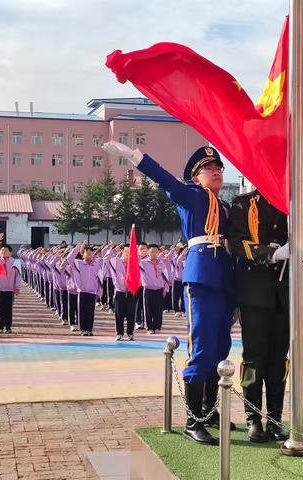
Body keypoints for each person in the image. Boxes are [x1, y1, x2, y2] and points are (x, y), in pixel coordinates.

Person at [103, 141, 234, 446]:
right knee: (201, 346)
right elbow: (164, 178)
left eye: (218, 168)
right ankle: (193, 420)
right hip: (202, 277)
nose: (215, 172)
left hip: (225, 278)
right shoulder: (191, 196)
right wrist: (134, 156)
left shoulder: (227, 207)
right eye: (208, 170)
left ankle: (209, 409)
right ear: (196, 178)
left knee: (220, 346)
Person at [228, 190, 290, 443]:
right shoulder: (243, 204)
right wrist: (270, 253)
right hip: (254, 293)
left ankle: (275, 418)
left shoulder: (289, 203)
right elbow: (237, 242)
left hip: (284, 293)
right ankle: (253, 419)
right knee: (254, 357)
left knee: (278, 358)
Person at [67, 242, 106, 336]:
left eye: (90, 253)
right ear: (83, 254)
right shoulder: (78, 264)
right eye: (86, 252)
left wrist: (107, 248)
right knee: (82, 311)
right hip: (82, 291)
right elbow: (69, 259)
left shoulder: (96, 264)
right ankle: (83, 329)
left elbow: (106, 258)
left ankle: (89, 329)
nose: (89, 254)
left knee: (91, 312)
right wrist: (77, 248)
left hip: (92, 291)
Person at [0, 244, 22, 334]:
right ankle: (0, 327)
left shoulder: (14, 263)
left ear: (10, 253)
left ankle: (8, 327)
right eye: (2, 250)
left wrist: (17, 287)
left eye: (6, 250)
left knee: (8, 308)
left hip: (9, 289)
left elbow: (18, 276)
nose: (3, 251)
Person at [140, 244, 166, 334]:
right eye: (151, 252)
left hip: (159, 289)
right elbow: (133, 262)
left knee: (158, 309)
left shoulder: (162, 263)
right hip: (148, 289)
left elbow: (165, 276)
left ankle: (157, 327)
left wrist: (165, 288)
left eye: (156, 252)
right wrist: (140, 254)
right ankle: (149, 327)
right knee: (148, 309)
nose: (154, 254)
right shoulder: (143, 263)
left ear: (158, 252)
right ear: (148, 252)